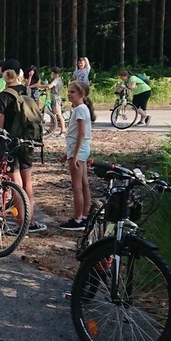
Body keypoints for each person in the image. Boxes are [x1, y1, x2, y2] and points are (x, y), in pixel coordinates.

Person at [0, 64, 46, 233]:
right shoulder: (28, 91)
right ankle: (30, 222)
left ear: (4, 75)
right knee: (27, 182)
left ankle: (20, 224)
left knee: (16, 182)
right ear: (19, 74)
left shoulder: (2, 96)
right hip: (28, 141)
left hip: (10, 143)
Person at [59, 81, 96, 230]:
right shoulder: (82, 108)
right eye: (68, 91)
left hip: (78, 149)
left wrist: (74, 155)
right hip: (80, 149)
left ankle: (78, 218)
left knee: (77, 186)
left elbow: (81, 132)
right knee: (84, 183)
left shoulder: (80, 109)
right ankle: (85, 215)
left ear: (81, 94)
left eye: (72, 92)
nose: (69, 94)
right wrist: (67, 153)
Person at [42, 67, 66, 136]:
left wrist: (40, 86)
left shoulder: (57, 80)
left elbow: (50, 86)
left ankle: (63, 131)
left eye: (52, 73)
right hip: (53, 98)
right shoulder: (55, 79)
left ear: (54, 73)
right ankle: (50, 130)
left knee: (58, 114)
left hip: (56, 98)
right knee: (53, 114)